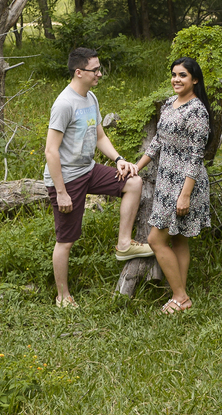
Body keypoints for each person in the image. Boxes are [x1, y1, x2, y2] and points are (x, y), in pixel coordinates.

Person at [44, 47, 153, 308]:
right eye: (95, 70)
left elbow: (100, 136)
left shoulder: (90, 98)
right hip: (67, 179)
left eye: (99, 68)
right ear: (79, 72)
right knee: (66, 241)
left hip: (88, 169)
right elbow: (50, 151)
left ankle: (124, 244)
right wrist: (61, 192)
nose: (100, 74)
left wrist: (119, 160)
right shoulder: (64, 104)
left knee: (133, 182)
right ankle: (63, 296)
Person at [133, 57, 211, 314]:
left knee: (156, 239)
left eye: (183, 76)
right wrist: (137, 166)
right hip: (166, 181)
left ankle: (180, 297)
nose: (176, 79)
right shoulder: (170, 103)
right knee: (177, 239)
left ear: (195, 80)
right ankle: (180, 296)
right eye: (174, 74)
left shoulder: (197, 111)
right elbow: (157, 141)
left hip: (185, 183)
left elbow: (196, 156)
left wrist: (185, 195)